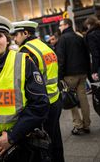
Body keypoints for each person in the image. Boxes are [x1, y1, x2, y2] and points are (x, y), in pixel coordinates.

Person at [0, 15, 50, 162]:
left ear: (7, 39)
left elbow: (40, 104)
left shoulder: (24, 62)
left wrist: (12, 136)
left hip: (21, 143)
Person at [11, 20, 64, 162]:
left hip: (43, 104)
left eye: (16, 35)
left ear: (26, 33)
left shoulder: (25, 51)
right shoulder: (45, 46)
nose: (14, 39)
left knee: (43, 145)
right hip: (55, 99)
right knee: (55, 139)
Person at [57, 18, 92, 135]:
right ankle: (87, 124)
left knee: (70, 99)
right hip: (82, 73)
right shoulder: (79, 37)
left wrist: (60, 76)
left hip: (69, 75)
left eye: (60, 25)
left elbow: (61, 59)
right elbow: (87, 55)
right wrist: (89, 72)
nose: (59, 27)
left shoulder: (63, 39)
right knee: (83, 99)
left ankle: (78, 125)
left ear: (66, 25)